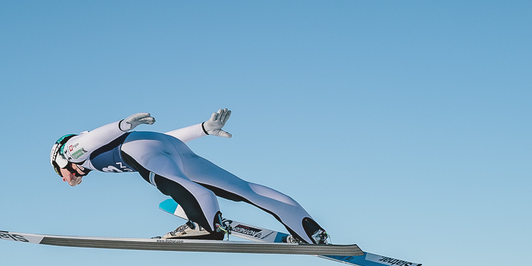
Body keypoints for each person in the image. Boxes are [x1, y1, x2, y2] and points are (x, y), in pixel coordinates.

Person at [50, 109, 329, 243]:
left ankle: (205, 225)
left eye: (58, 172)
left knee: (171, 182)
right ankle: (309, 230)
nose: (64, 178)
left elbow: (91, 139)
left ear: (60, 159)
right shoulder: (92, 159)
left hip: (142, 149)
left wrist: (123, 125)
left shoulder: (73, 151)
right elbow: (161, 138)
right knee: (242, 188)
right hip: (169, 146)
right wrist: (202, 129)